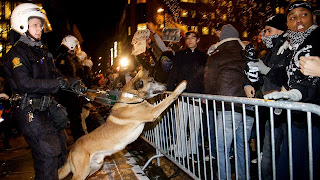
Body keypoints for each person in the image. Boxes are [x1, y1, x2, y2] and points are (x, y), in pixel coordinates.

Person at [2, 3, 86, 179]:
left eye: (40, 25)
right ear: (22, 24)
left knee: (60, 148)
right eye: (35, 25)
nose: (39, 28)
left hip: (46, 108)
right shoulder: (17, 53)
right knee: (48, 154)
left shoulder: (41, 51)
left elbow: (55, 75)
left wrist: (72, 83)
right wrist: (59, 83)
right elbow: (25, 83)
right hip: (29, 111)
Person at [264, 1, 320, 179]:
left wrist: (294, 93)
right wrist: (282, 95)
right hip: (297, 117)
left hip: (316, 117)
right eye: (293, 17)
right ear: (287, 24)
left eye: (304, 14)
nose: (299, 21)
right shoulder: (291, 47)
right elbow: (286, 77)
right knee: (290, 167)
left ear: (314, 17)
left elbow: (312, 80)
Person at [204, 24, 254, 179]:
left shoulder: (217, 56)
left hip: (228, 107)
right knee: (242, 145)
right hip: (249, 107)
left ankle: (223, 177)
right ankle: (242, 176)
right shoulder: (247, 54)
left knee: (222, 147)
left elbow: (210, 81)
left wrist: (209, 98)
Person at [167, 31, 207, 159]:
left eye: (192, 38)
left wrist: (204, 95)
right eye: (187, 38)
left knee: (195, 125)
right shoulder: (179, 55)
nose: (189, 40)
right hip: (182, 94)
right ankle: (180, 150)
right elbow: (174, 73)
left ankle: (192, 150)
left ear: (198, 40)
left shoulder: (203, 56)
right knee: (181, 125)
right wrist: (169, 92)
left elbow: (206, 76)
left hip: (197, 94)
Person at [55, 35, 87, 142]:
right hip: (67, 95)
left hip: (71, 94)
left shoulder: (69, 58)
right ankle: (78, 139)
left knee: (75, 118)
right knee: (72, 118)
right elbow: (65, 77)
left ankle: (79, 139)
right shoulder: (62, 59)